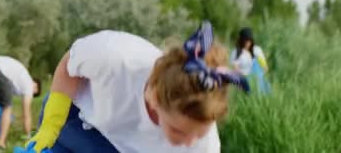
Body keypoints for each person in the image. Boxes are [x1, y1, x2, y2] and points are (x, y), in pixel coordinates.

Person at [23, 21, 248, 153]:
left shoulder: (204, 146)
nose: (189, 143)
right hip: (76, 117)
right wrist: (51, 125)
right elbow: (68, 65)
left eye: (199, 132)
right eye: (178, 130)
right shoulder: (116, 58)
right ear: (154, 96)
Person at [231, 27, 270, 93]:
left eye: (249, 40)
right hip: (244, 79)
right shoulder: (235, 52)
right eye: (245, 40)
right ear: (241, 40)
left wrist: (259, 75)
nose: (247, 42)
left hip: (258, 79)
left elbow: (265, 67)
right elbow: (235, 69)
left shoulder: (256, 50)